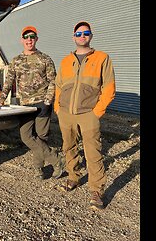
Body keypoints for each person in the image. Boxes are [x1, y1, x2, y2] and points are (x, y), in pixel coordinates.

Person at [54, 21, 116, 210]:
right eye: (79, 34)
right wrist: (58, 108)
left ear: (91, 35)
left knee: (93, 152)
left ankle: (97, 191)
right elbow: (58, 86)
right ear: (74, 37)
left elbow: (109, 88)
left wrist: (97, 112)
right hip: (65, 113)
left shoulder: (102, 58)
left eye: (86, 33)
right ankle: (73, 177)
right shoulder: (65, 61)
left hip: (88, 114)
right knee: (69, 147)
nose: (82, 36)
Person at [0, 26, 65, 180]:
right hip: (25, 105)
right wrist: (1, 98)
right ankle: (56, 159)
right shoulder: (16, 61)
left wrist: (48, 100)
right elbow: (8, 82)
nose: (29, 40)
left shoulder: (45, 59)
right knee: (27, 136)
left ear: (36, 39)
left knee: (41, 137)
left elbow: (53, 81)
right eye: (26, 37)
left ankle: (39, 169)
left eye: (32, 37)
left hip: (42, 102)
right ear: (22, 40)